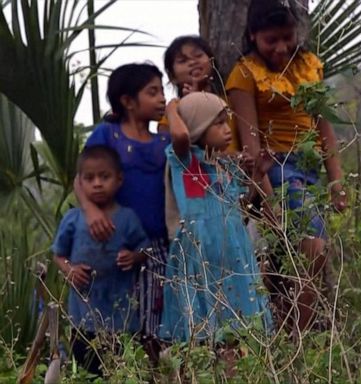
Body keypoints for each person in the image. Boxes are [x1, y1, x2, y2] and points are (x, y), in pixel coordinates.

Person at [226, 0, 347, 333]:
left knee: (286, 263)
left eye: (287, 37)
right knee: (314, 249)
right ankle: (300, 337)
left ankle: (282, 332)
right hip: (276, 169)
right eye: (271, 40)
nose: (281, 48)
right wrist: (270, 202)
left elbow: (323, 126)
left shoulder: (309, 65)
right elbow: (250, 144)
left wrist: (336, 180)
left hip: (310, 169)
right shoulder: (245, 74)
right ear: (252, 36)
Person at [159, 92, 272, 344]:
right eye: (218, 123)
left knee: (239, 325)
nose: (227, 129)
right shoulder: (184, 162)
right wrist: (172, 106)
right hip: (201, 255)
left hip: (232, 253)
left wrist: (256, 176)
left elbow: (238, 212)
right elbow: (180, 135)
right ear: (198, 129)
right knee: (208, 328)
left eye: (226, 121)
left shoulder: (226, 167)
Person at [76, 63, 169, 348]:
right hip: (114, 245)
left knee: (157, 327)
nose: (162, 98)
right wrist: (91, 212)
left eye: (162, 90)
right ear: (128, 101)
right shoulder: (107, 135)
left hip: (157, 248)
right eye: (152, 92)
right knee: (115, 325)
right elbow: (81, 178)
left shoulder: (164, 140)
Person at [52, 145, 150, 374]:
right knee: (89, 373)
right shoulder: (73, 219)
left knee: (123, 372)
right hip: (83, 320)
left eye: (104, 177)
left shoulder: (127, 218)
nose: (97, 183)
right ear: (80, 183)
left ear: (118, 179)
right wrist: (70, 270)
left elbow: (147, 248)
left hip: (123, 320)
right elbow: (58, 254)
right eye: (89, 178)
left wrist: (134, 257)